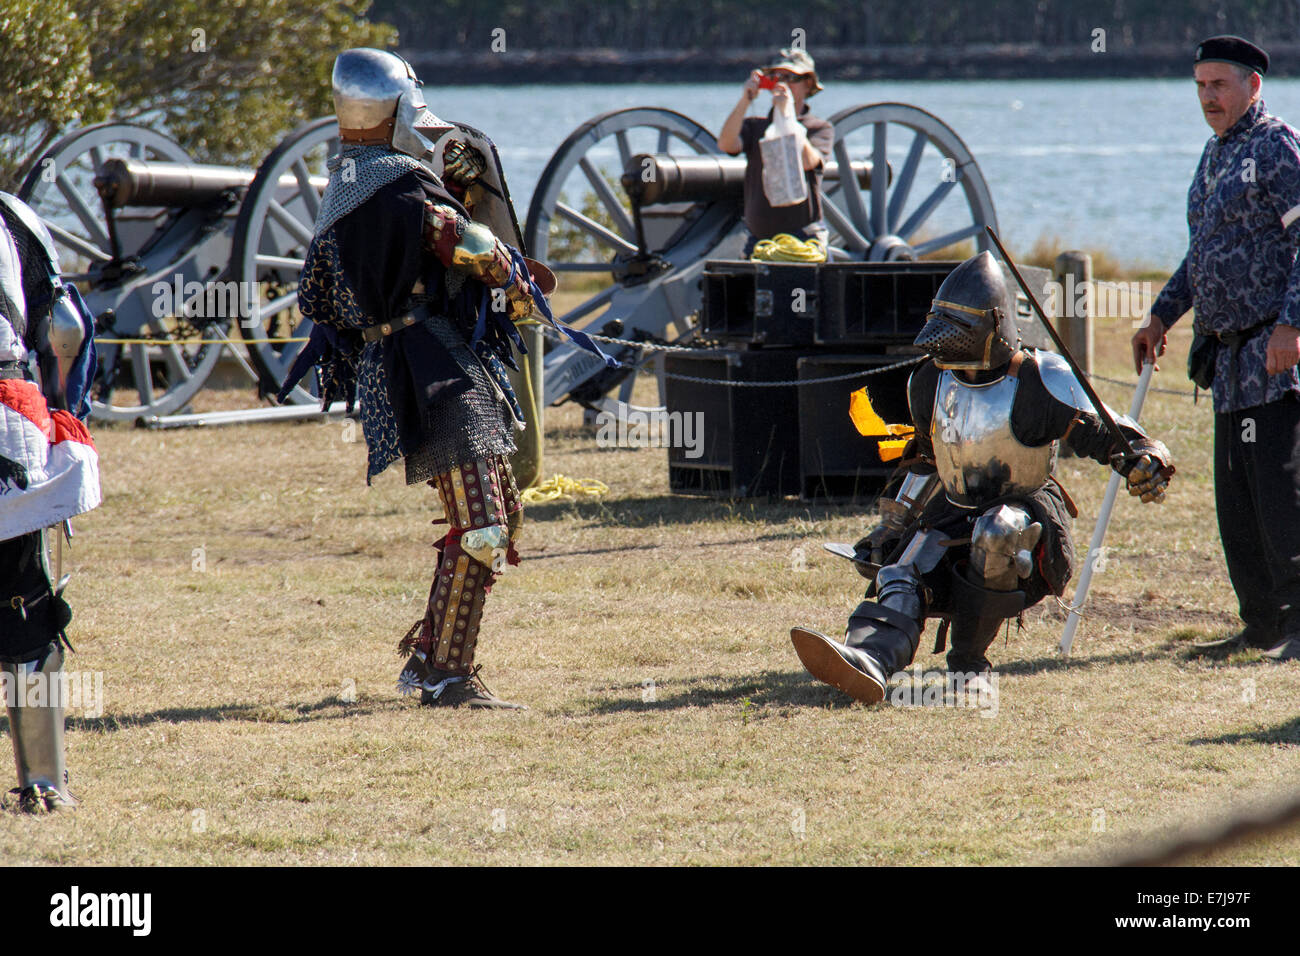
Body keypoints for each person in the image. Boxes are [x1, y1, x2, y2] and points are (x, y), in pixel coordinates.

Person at [280, 49, 611, 708]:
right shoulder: (403, 185)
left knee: (496, 514)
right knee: (485, 522)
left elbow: (317, 297)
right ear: (393, 112)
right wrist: (518, 282)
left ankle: (432, 657)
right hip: (431, 368)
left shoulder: (344, 185)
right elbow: (471, 245)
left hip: (407, 362)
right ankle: (445, 675)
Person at [792, 252, 1175, 704]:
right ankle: (869, 659)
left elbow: (1110, 431)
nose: (943, 341)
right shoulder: (930, 381)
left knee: (998, 531)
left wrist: (1145, 457)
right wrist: (890, 527)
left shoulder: (1041, 379)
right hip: (952, 506)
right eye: (942, 325)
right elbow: (928, 460)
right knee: (902, 570)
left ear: (993, 327)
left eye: (957, 328)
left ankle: (969, 665)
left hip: (1027, 513)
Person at [1133, 36, 1300, 662]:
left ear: (1253, 86)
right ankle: (1260, 624)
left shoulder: (1276, 146)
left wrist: (1292, 325)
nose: (1208, 97)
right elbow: (1202, 252)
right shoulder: (1214, 155)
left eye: (1220, 85)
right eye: (1200, 85)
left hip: (1273, 359)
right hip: (1226, 363)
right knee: (1236, 500)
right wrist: (1160, 314)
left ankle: (1298, 625)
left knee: (1279, 495)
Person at [0, 192, 99, 810]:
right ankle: (41, 781)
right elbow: (66, 328)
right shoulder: (12, 214)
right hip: (8, 410)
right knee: (21, 599)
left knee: (23, 599)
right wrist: (66, 412)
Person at [717, 48, 833, 256]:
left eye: (791, 78)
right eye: (777, 77)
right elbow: (726, 144)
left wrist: (787, 116)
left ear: (807, 84)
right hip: (760, 242)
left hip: (803, 240)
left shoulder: (819, 128)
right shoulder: (756, 128)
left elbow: (809, 161)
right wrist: (746, 100)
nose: (784, 83)